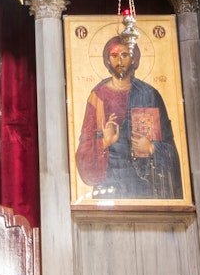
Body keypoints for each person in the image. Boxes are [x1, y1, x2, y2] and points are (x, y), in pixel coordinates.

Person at [75, 35, 182, 199]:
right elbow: (83, 150)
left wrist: (152, 148)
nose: (119, 61)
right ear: (107, 60)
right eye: (114, 55)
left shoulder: (149, 94)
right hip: (108, 186)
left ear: (133, 59)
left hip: (145, 186)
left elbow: (171, 151)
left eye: (125, 55)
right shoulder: (98, 97)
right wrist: (104, 142)